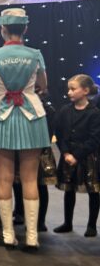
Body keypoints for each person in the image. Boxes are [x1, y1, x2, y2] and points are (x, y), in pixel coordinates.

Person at [0, 7, 50, 252]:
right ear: (25, 29)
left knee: (4, 178)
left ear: (3, 29)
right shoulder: (35, 54)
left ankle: (8, 235)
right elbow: (43, 85)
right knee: (30, 178)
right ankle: (32, 236)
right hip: (32, 117)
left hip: (1, 117)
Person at [53, 74, 100, 237]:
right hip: (68, 154)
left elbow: (95, 139)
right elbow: (59, 133)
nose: (69, 92)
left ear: (85, 91)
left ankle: (92, 225)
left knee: (94, 190)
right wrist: (66, 152)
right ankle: (68, 223)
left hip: (88, 157)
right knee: (69, 189)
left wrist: (77, 155)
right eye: (69, 89)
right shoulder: (65, 110)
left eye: (73, 89)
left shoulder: (95, 113)